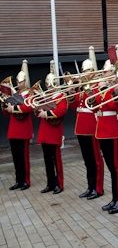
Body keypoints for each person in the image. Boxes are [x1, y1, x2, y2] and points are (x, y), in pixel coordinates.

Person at [67, 49, 104, 199]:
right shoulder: (81, 89)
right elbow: (74, 105)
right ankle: (90, 186)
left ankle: (98, 188)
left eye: (87, 71)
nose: (84, 74)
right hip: (81, 128)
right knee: (87, 160)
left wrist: (87, 90)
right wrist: (70, 91)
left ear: (93, 72)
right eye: (83, 71)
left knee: (96, 160)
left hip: (91, 127)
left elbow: (96, 105)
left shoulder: (94, 88)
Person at [92, 59, 118, 214]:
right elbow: (93, 105)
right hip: (102, 130)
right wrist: (95, 90)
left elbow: (114, 105)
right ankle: (114, 198)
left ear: (114, 73)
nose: (103, 74)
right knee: (111, 168)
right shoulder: (103, 87)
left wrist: (105, 89)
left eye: (105, 72)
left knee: (117, 168)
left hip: (113, 129)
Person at [36, 65, 68, 194]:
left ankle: (59, 184)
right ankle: (50, 183)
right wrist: (38, 110)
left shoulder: (61, 96)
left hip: (54, 131)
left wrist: (46, 114)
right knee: (47, 160)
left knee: (56, 160)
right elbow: (37, 109)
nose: (48, 86)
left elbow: (60, 111)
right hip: (45, 131)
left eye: (50, 84)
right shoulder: (45, 96)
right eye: (47, 84)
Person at [3, 61, 32, 191]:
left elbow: (28, 108)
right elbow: (7, 112)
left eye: (21, 81)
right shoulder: (15, 95)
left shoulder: (30, 94)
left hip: (23, 129)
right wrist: (4, 105)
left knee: (24, 157)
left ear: (25, 81)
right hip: (14, 129)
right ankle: (18, 180)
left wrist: (13, 108)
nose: (18, 84)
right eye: (18, 81)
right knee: (16, 157)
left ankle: (26, 180)